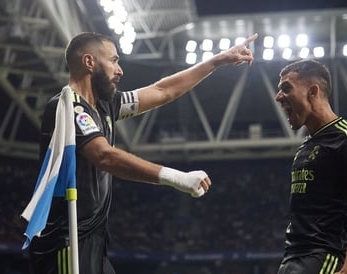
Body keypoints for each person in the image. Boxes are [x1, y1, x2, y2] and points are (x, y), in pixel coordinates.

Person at [27, 31, 258, 274]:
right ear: (89, 62)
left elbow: (163, 91)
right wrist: (177, 177)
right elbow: (104, 156)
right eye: (114, 60)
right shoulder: (66, 105)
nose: (120, 70)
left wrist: (216, 61)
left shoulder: (106, 104)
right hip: (66, 242)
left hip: (92, 238)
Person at [275, 60, 347, 274]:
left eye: (286, 88)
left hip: (323, 256)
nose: (278, 96)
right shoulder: (304, 148)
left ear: (313, 92)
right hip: (291, 258)